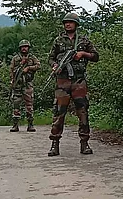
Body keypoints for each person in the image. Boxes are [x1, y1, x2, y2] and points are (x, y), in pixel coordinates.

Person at [47, 12, 99, 156]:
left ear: (76, 24)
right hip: (62, 81)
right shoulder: (58, 41)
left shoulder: (83, 41)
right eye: (66, 22)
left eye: (70, 22)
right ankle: (54, 144)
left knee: (82, 112)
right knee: (59, 112)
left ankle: (84, 143)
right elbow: (50, 58)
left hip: (79, 81)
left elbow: (96, 56)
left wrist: (83, 54)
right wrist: (54, 65)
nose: (68, 24)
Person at [9, 40, 41, 132]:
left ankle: (30, 124)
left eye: (26, 46)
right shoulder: (15, 58)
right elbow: (11, 69)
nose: (24, 48)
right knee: (16, 104)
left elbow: (38, 66)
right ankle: (15, 125)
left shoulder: (32, 57)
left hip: (27, 84)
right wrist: (12, 80)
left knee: (29, 104)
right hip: (18, 84)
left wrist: (29, 68)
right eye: (22, 47)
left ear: (28, 48)